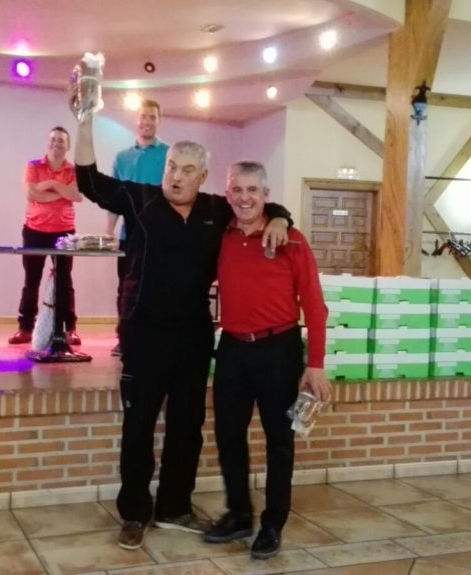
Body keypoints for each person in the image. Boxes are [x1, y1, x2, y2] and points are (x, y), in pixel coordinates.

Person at [73, 111, 292, 551]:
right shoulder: (140, 198)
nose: (176, 176)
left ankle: (174, 506)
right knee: (138, 424)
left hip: (193, 336)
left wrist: (281, 218)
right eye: (172, 166)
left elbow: (257, 206)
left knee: (187, 426)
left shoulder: (215, 209)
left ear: (203, 177)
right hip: (143, 335)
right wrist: (83, 123)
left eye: (187, 170)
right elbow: (88, 181)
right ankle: (135, 512)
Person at [202, 161, 331, 559]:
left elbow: (315, 305)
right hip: (232, 349)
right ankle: (239, 513)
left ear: (266, 195)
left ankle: (273, 524)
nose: (245, 198)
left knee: (280, 439)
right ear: (228, 194)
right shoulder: (221, 234)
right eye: (237, 190)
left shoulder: (291, 240)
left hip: (279, 349)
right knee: (228, 434)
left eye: (252, 190)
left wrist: (316, 363)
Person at [8, 127, 83, 346]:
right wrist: (61, 192)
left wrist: (50, 185)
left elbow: (77, 195)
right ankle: (25, 328)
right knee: (31, 281)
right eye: (53, 139)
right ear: (47, 142)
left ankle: (70, 329)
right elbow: (31, 194)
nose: (56, 143)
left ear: (68, 146)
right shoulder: (33, 166)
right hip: (34, 230)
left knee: (64, 280)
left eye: (61, 141)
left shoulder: (73, 170)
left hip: (64, 231)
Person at [105, 100, 169, 356]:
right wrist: (109, 231)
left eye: (152, 117)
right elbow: (113, 199)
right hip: (129, 236)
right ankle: (125, 338)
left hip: (160, 234)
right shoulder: (122, 158)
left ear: (159, 121)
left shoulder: (169, 154)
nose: (147, 121)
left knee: (159, 285)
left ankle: (155, 337)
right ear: (136, 120)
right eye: (144, 116)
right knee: (126, 287)